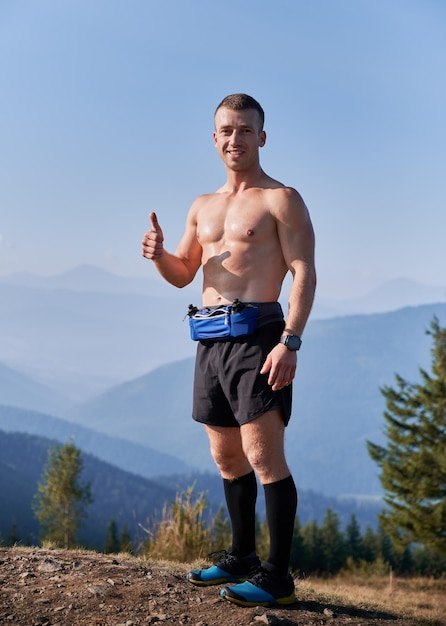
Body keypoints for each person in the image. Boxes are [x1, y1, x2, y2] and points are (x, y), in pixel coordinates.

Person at [142, 93, 316, 607]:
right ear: (214, 137)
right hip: (210, 340)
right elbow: (183, 275)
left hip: (261, 336)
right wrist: (159, 257)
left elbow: (303, 271)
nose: (234, 139)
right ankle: (241, 556)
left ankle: (277, 576)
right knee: (226, 457)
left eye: (245, 130)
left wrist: (291, 341)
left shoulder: (280, 199)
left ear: (261, 137)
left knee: (264, 456)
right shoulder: (203, 205)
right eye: (226, 130)